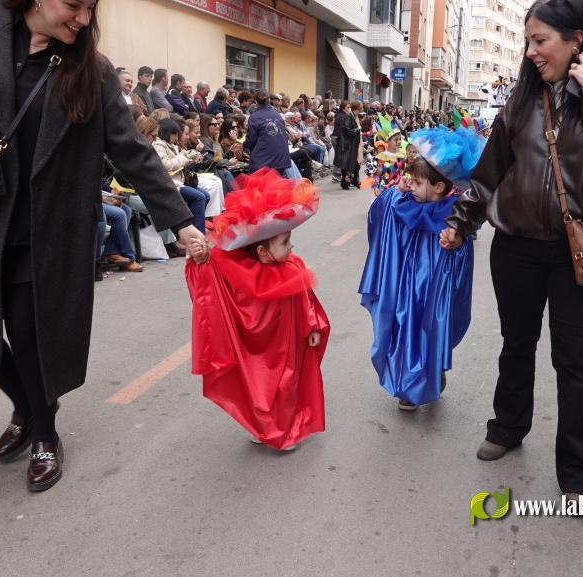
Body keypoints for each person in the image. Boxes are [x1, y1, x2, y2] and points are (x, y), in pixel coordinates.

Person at [0, 0, 207, 493]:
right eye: (74, 5)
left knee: (31, 332)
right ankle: (28, 407)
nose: (83, 19)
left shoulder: (88, 69)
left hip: (48, 221)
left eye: (91, 8)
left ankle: (45, 434)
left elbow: (128, 147)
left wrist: (179, 220)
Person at [439, 0, 583, 503]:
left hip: (579, 251)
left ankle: (578, 472)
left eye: (541, 41)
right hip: (516, 248)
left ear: (576, 39)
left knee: (575, 361)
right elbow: (489, 172)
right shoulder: (521, 99)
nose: (530, 51)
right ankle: (508, 426)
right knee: (516, 345)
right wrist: (461, 222)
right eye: (528, 41)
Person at [185, 169, 329, 451]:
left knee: (286, 384)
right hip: (258, 351)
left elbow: (305, 301)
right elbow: (210, 276)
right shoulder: (240, 273)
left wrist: (312, 327)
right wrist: (201, 257)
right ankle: (264, 426)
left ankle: (285, 431)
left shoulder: (292, 266)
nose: (292, 246)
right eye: (284, 242)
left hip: (287, 345)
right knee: (259, 387)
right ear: (262, 252)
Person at [359, 127, 480, 411]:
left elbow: (463, 257)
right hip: (404, 285)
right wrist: (395, 192)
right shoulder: (404, 203)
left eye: (417, 182)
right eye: (410, 180)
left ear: (439, 187)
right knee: (403, 325)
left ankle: (433, 369)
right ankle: (407, 384)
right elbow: (380, 216)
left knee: (431, 328)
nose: (410, 185)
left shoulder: (454, 217)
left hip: (434, 289)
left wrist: (456, 242)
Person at [243, 90, 292, 177]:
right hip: (282, 156)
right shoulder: (276, 114)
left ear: (255, 101)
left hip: (265, 158)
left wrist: (244, 145)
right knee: (277, 184)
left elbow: (251, 140)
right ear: (269, 100)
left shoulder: (255, 116)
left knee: (260, 184)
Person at [338, 101, 363, 189]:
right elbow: (348, 130)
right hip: (348, 144)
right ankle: (345, 182)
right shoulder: (349, 116)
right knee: (347, 164)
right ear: (358, 108)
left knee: (355, 163)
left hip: (353, 143)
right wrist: (357, 129)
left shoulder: (353, 116)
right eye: (360, 108)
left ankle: (352, 180)